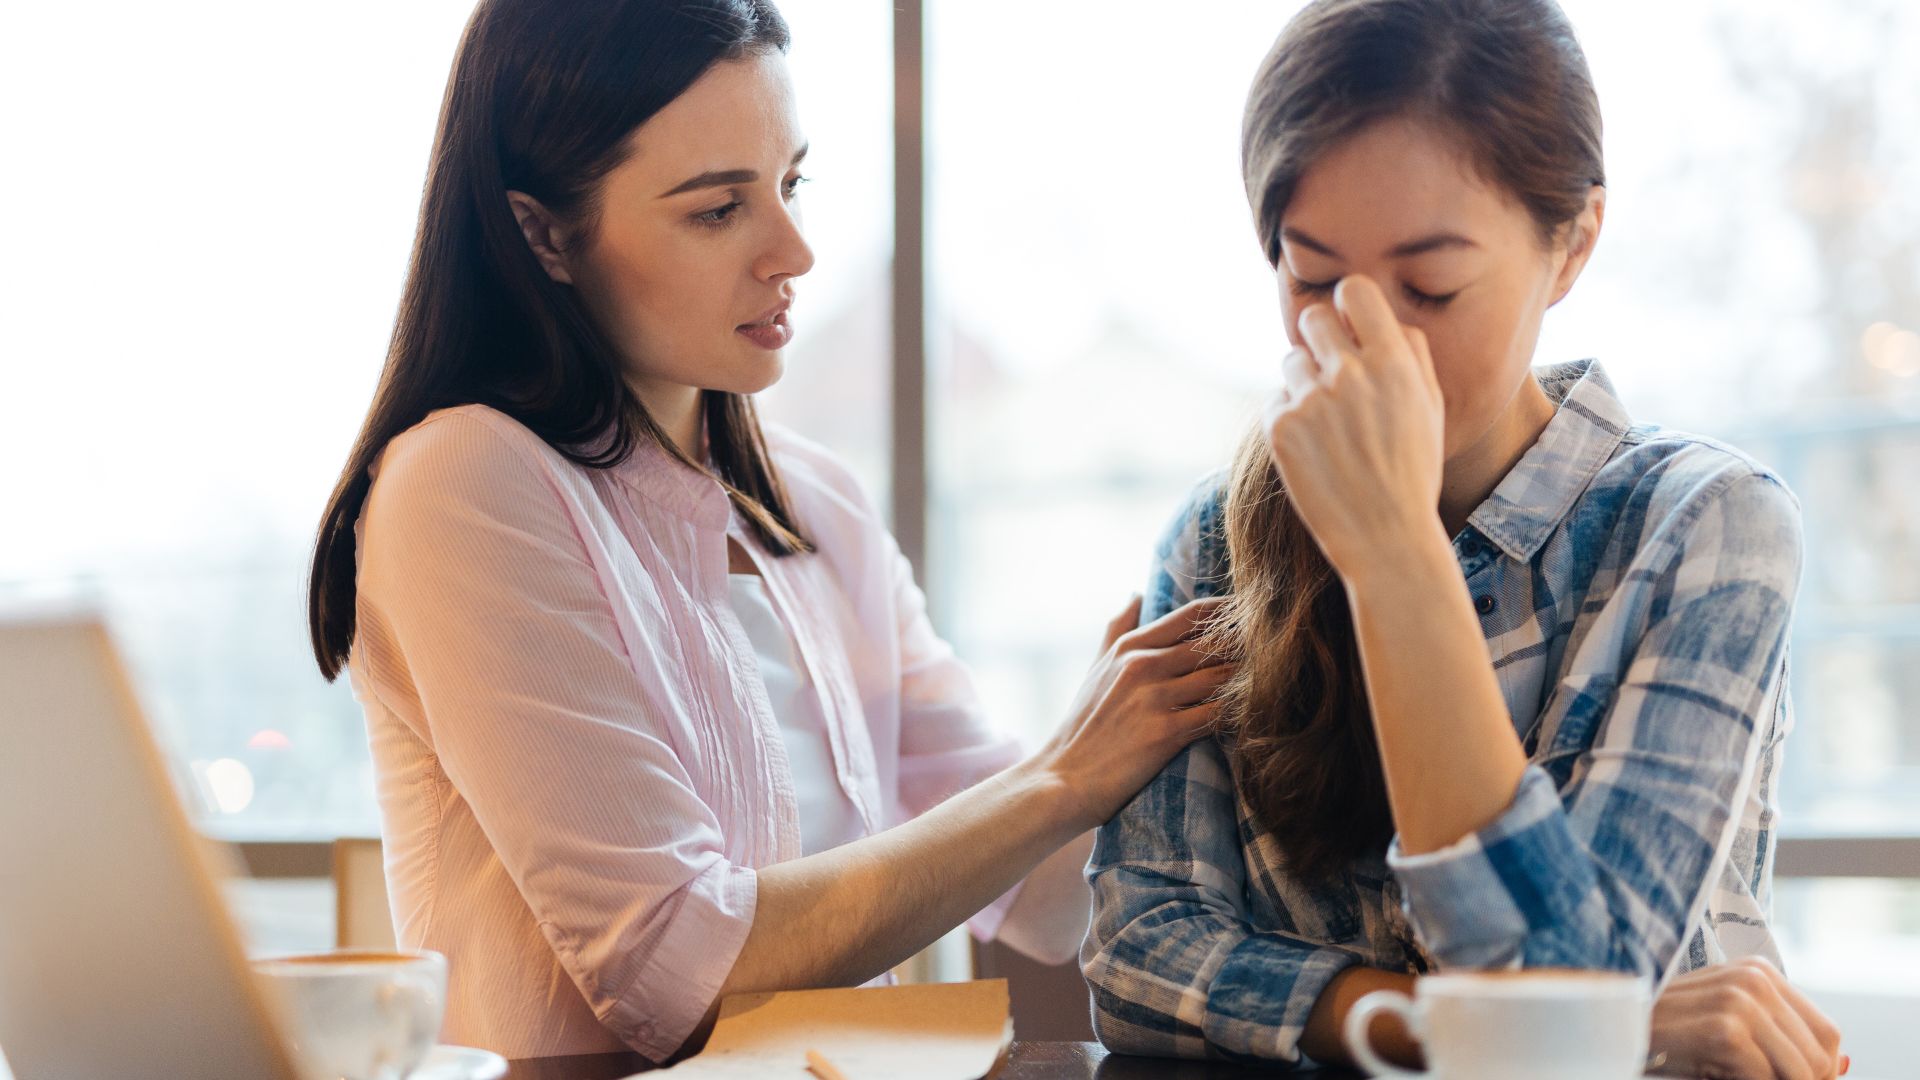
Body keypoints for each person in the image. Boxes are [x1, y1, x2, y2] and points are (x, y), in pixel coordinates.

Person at [304, 0, 1228, 1062]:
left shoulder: (818, 504)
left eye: (790, 186)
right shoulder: (466, 479)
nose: (793, 250)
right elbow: (671, 968)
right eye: (716, 211)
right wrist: (1063, 774)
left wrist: (1169, 698)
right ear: (543, 235)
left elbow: (1046, 900)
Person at [1081, 2, 1847, 1078]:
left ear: (1573, 242)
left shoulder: (1706, 526)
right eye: (1310, 277)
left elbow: (1560, 1018)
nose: (1364, 338)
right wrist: (1442, 1021)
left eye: (1430, 286)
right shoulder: (1215, 540)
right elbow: (1139, 956)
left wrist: (1394, 554)